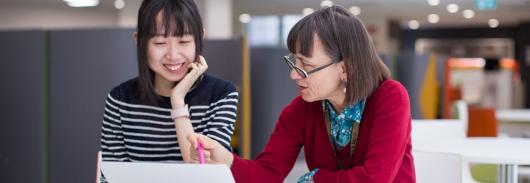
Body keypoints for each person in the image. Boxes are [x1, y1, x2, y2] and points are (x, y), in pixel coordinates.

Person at [187, 5, 415, 183]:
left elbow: (375, 179)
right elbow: (267, 174)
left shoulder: (390, 97)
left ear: (345, 68)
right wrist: (227, 160)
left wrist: (316, 178)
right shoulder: (300, 110)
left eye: (305, 65)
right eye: (294, 62)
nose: (294, 76)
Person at [99, 0, 238, 181]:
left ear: (200, 38)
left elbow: (204, 172)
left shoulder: (221, 94)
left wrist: (177, 101)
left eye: (184, 41)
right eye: (160, 42)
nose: (173, 54)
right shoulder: (120, 99)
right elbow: (111, 177)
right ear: (139, 41)